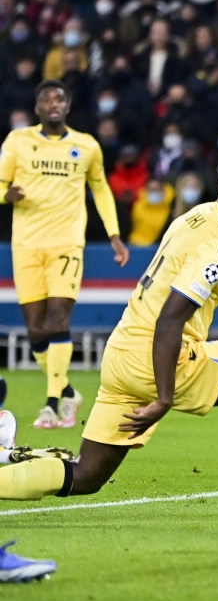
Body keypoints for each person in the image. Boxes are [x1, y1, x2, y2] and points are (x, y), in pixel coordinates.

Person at [0, 156, 218, 525]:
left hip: (121, 354)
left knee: (87, 476)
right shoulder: (216, 246)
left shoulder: (194, 216)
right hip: (158, 356)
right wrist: (164, 398)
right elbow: (170, 320)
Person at [0, 82, 129, 430]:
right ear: (37, 108)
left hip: (67, 243)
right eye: (46, 99)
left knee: (59, 321)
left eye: (59, 99)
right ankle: (69, 391)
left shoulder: (86, 146)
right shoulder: (18, 142)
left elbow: (100, 189)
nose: (53, 104)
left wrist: (114, 235)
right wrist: (6, 194)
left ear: (68, 106)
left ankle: (52, 403)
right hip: (26, 244)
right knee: (36, 330)